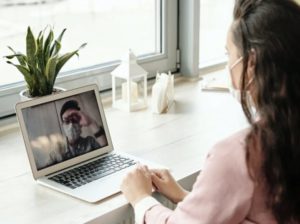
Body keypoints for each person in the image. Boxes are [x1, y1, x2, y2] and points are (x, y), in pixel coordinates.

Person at [121, 0, 300, 223]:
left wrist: (142, 200)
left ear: (251, 62)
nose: (228, 65)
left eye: (229, 55)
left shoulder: (239, 155)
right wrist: (187, 197)